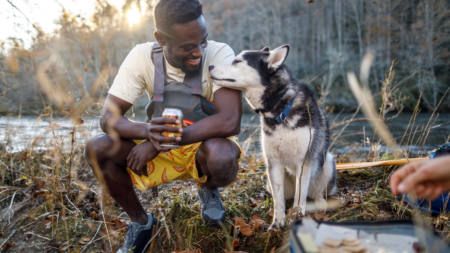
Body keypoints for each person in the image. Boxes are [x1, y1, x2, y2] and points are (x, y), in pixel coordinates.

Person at [84, 0, 242, 252]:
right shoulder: (141, 57)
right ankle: (142, 224)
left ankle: (208, 188)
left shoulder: (219, 53)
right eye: (187, 47)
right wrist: (147, 132)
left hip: (204, 146)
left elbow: (229, 120)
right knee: (97, 148)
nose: (199, 52)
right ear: (161, 39)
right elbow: (108, 119)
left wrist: (161, 142)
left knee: (221, 157)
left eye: (203, 41)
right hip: (160, 146)